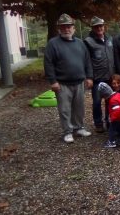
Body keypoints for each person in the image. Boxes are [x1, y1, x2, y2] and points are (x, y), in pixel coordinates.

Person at [44, 13, 93, 143]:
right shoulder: (53, 44)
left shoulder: (81, 43)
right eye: (63, 27)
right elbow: (48, 63)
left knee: (79, 107)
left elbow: (87, 61)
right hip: (62, 83)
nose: (66, 29)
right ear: (59, 29)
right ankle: (67, 131)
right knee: (65, 109)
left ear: (73, 28)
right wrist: (52, 81)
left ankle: (79, 127)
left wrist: (89, 77)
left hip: (79, 82)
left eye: (69, 26)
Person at [84, 16, 114, 132]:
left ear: (104, 26)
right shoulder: (88, 41)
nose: (99, 28)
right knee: (97, 102)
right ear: (92, 28)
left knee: (110, 100)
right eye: (96, 27)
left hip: (110, 76)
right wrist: (89, 77)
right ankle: (98, 123)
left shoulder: (109, 39)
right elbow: (87, 61)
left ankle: (109, 121)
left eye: (101, 26)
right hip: (97, 78)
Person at [97, 82, 120, 148]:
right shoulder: (119, 94)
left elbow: (116, 110)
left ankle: (112, 142)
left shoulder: (113, 100)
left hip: (117, 117)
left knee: (112, 130)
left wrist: (112, 118)